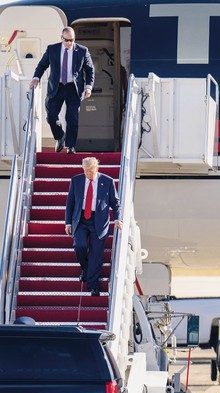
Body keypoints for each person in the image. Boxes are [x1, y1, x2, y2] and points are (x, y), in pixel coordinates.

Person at [29, 26, 94, 154]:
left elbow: (90, 69)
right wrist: (36, 78)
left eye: (72, 40)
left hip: (73, 88)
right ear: (61, 38)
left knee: (72, 118)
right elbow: (42, 65)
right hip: (56, 88)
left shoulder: (82, 51)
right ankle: (60, 136)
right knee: (51, 116)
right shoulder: (52, 49)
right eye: (67, 40)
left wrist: (88, 87)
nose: (69, 43)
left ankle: (70, 146)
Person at [65, 157, 122, 296]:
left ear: (97, 168)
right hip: (81, 219)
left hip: (99, 221)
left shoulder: (107, 181)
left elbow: (115, 202)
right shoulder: (76, 180)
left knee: (96, 254)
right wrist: (67, 222)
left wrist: (118, 219)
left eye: (90, 170)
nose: (88, 174)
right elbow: (70, 202)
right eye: (85, 171)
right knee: (80, 246)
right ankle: (85, 269)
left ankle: (93, 285)